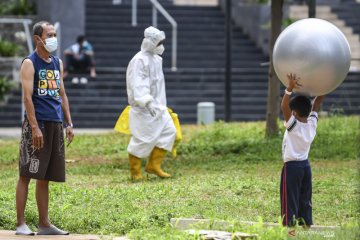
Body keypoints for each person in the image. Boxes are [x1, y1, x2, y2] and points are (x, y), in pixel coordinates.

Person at [16, 21, 74, 235]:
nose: (53, 38)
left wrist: (68, 123)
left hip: (55, 123)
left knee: (45, 176)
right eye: (49, 34)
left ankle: (44, 224)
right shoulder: (30, 63)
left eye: (54, 34)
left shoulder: (57, 62)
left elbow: (62, 94)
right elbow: (27, 98)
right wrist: (34, 127)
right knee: (27, 173)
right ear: (37, 38)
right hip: (37, 124)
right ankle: (20, 223)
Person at [125, 26, 176, 180]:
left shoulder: (156, 59)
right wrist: (146, 101)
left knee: (169, 132)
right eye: (159, 42)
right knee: (142, 139)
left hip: (159, 107)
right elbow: (138, 83)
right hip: (144, 108)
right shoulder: (139, 60)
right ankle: (135, 172)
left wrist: (158, 103)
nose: (161, 46)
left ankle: (153, 165)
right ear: (150, 42)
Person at [280, 73, 325, 227]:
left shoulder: (294, 127)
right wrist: (324, 86)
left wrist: (290, 88)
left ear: (294, 113)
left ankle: (290, 231)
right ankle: (306, 226)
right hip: (306, 167)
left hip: (292, 168)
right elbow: (317, 103)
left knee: (289, 199)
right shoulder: (311, 124)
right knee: (305, 198)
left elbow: (283, 106)